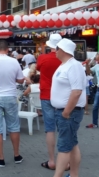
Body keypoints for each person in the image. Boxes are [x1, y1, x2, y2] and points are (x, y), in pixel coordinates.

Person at [50, 38, 86, 177]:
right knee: (72, 144)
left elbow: (77, 91)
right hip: (66, 112)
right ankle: (74, 174)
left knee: (64, 147)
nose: (55, 51)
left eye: (57, 48)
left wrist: (66, 112)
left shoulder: (73, 66)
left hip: (69, 113)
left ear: (63, 50)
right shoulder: (65, 65)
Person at [36, 33, 63, 171]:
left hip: (46, 94)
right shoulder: (65, 59)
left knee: (50, 129)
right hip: (63, 96)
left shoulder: (43, 58)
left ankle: (52, 160)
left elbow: (38, 69)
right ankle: (66, 160)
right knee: (64, 128)